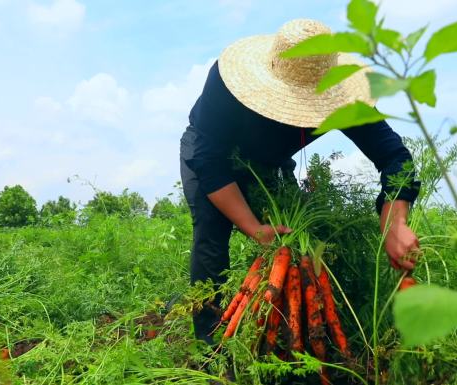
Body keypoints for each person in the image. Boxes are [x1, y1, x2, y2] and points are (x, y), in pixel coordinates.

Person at [180, 19, 421, 344]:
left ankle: (289, 335)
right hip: (213, 156)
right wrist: (253, 227)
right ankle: (209, 345)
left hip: (272, 163)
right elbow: (208, 161)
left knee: (295, 244)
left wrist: (395, 223)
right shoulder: (227, 85)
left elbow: (394, 157)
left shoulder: (345, 100)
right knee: (211, 239)